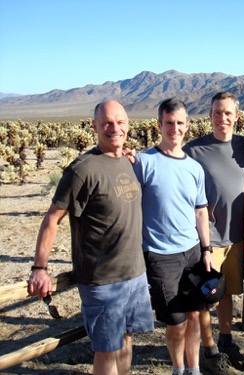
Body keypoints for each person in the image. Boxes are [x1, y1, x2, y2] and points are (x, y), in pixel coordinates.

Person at [28, 100, 154, 375]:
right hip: (102, 280)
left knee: (126, 342)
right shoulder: (82, 170)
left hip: (134, 274)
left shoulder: (128, 161)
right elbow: (52, 219)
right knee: (106, 351)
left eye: (120, 122)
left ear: (128, 125)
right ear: (94, 126)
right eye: (107, 122)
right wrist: (40, 268)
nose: (114, 128)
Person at [133, 98, 214, 375]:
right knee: (175, 321)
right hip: (159, 255)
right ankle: (178, 369)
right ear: (159, 124)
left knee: (193, 316)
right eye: (169, 123)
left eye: (180, 123)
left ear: (187, 126)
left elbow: (201, 212)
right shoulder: (143, 162)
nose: (174, 129)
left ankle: (194, 369)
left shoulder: (194, 168)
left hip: (192, 252)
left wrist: (207, 249)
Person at [183, 91, 244, 374]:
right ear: (209, 116)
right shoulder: (194, 149)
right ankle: (209, 353)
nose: (222, 118)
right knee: (204, 296)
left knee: (226, 295)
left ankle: (226, 342)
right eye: (217, 112)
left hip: (237, 238)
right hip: (207, 240)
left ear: (236, 116)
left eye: (227, 113)